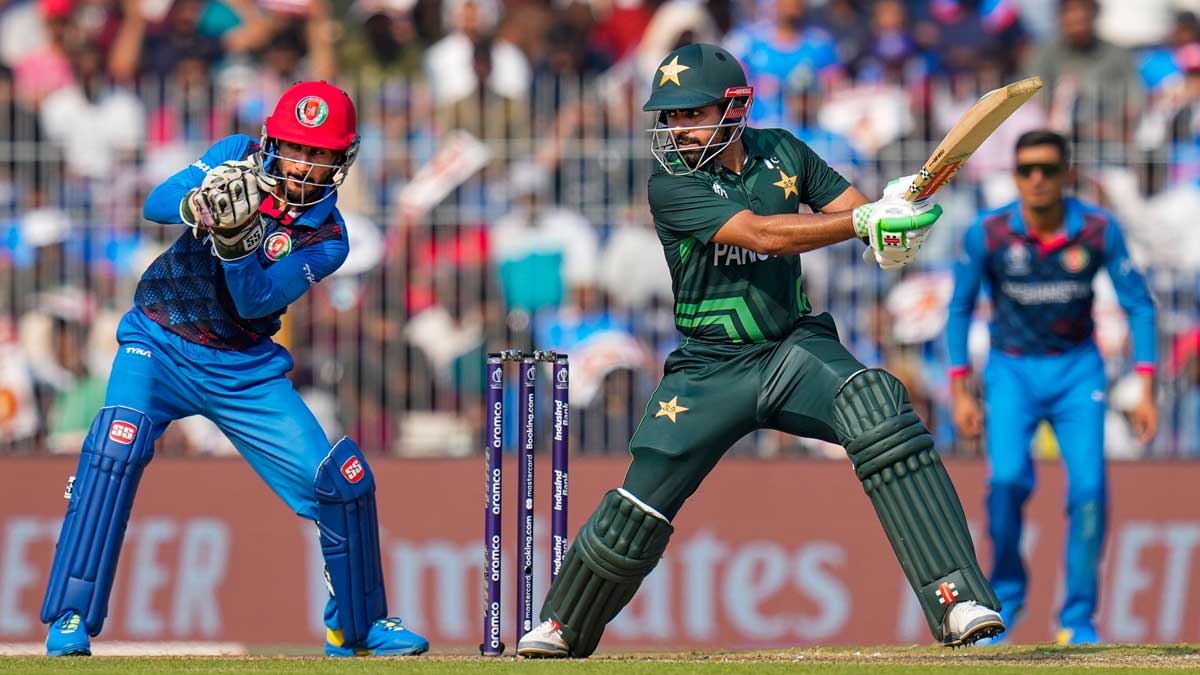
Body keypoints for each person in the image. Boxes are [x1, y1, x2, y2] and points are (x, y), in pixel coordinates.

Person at [516, 42, 1005, 658]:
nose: (677, 128)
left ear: (734, 108)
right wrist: (865, 223)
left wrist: (893, 219)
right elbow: (764, 235)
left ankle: (957, 598)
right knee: (641, 501)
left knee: (877, 407)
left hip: (790, 350)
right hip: (708, 366)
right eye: (671, 116)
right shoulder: (671, 184)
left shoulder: (784, 152)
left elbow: (856, 214)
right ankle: (563, 623)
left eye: (692, 114)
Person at [40, 81, 429, 658]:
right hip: (158, 340)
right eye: (296, 148)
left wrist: (236, 242)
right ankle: (70, 617)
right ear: (273, 141)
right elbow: (156, 203)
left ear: (342, 161)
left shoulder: (329, 238)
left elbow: (254, 301)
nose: (304, 165)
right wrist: (199, 204)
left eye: (320, 154)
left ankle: (358, 625)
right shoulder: (235, 154)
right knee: (113, 451)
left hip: (242, 370)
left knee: (341, 483)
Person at [947, 129, 1158, 645]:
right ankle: (1005, 600)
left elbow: (1139, 304)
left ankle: (1078, 619)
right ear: (1015, 176)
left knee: (1089, 492)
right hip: (1012, 371)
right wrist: (960, 390)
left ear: (1067, 173)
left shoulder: (1097, 229)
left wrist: (1146, 385)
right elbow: (958, 308)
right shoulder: (990, 232)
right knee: (1005, 484)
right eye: (1026, 170)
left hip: (1077, 372)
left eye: (1047, 169)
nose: (1036, 179)